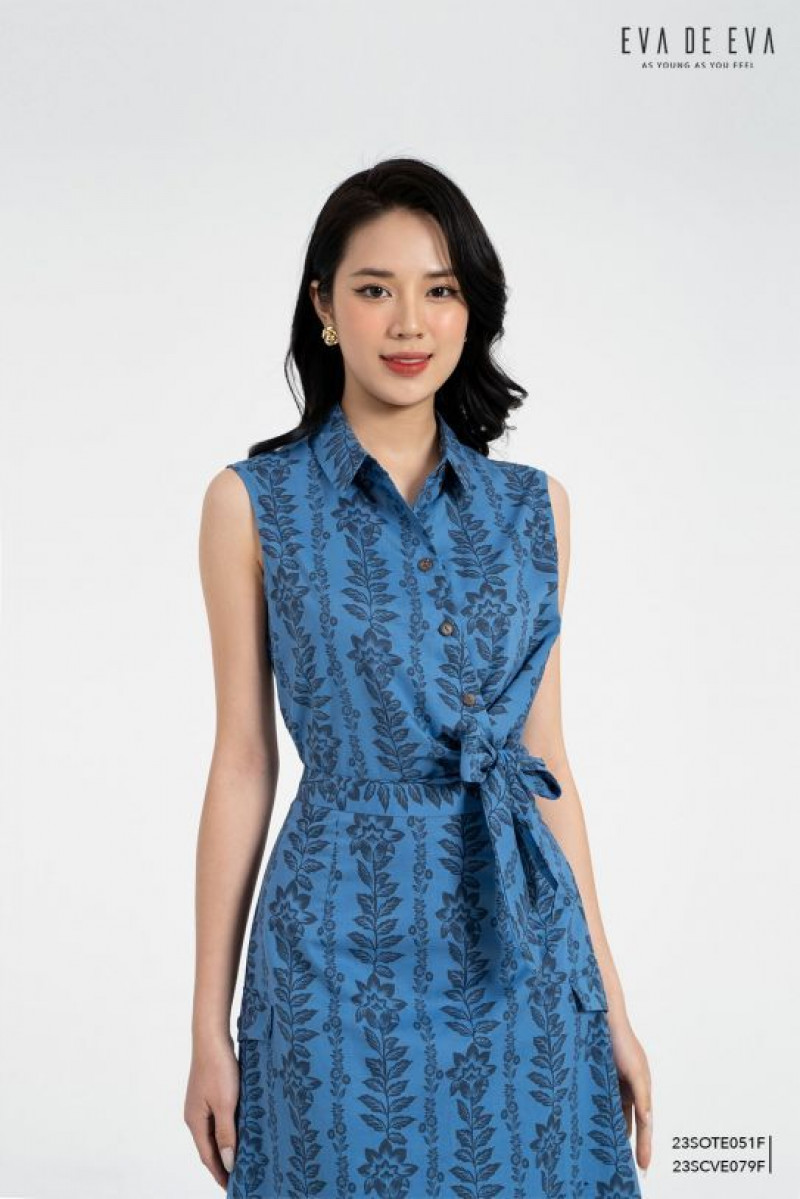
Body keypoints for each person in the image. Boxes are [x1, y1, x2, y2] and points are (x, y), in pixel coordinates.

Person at [184, 157, 653, 1197]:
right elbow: (242, 761)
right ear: (323, 307)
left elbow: (544, 762)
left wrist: (611, 1003)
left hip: (522, 949)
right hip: (333, 951)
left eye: (439, 289)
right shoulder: (251, 504)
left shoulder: (536, 508)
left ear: (470, 309)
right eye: (374, 288)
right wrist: (209, 1028)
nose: (409, 322)